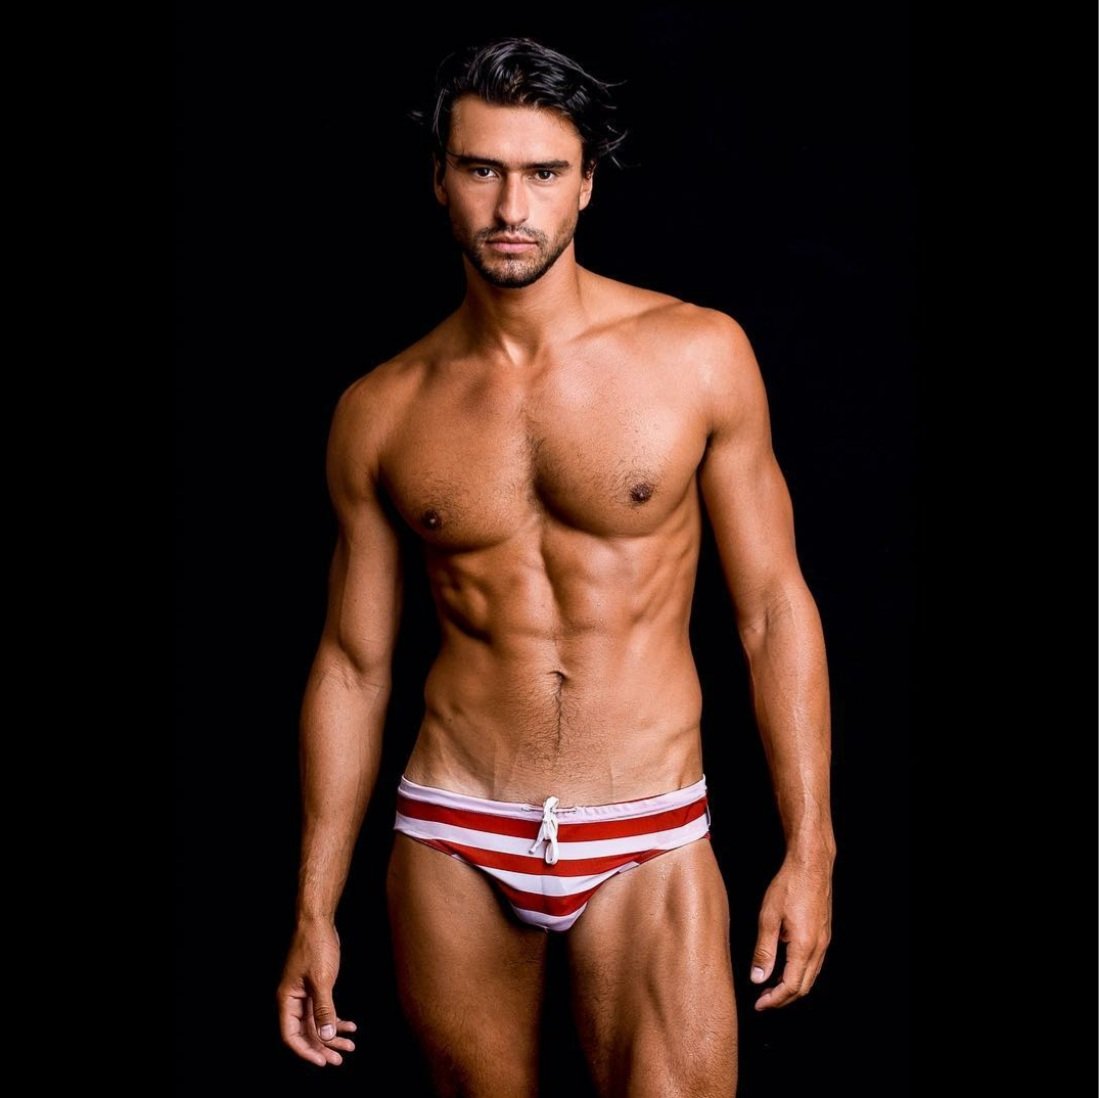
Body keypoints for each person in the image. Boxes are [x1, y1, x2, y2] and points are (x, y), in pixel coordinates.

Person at [276, 35, 835, 1097]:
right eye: (481, 170)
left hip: (645, 824)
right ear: (439, 179)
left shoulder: (698, 355)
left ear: (585, 184)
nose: (510, 207)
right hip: (453, 826)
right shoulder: (379, 409)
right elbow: (352, 664)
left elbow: (771, 608)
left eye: (541, 173)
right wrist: (313, 906)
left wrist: (812, 850)